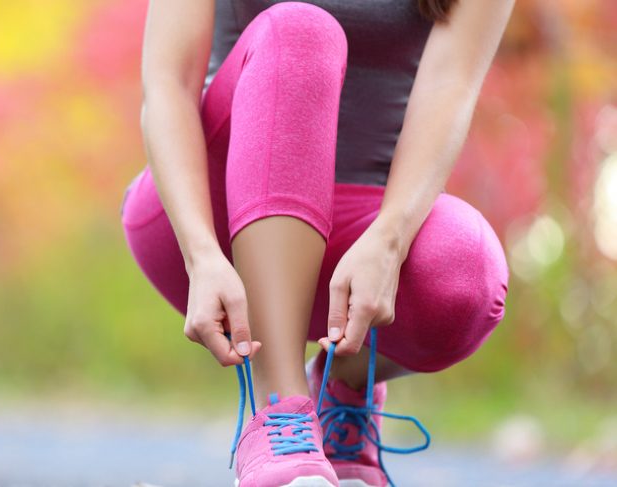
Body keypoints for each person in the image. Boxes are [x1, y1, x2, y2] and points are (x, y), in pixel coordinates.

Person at [120, 1, 515, 486]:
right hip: (210, 216)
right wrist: (200, 251)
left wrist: (390, 239)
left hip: (365, 235)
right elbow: (168, 84)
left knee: (467, 271)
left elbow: (450, 84)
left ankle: (343, 386)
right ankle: (280, 416)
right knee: (301, 30)